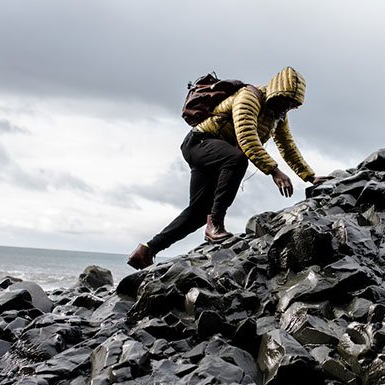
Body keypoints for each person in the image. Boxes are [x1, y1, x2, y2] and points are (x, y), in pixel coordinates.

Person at [127, 66, 331, 270]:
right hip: (199, 143)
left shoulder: (277, 115)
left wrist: (310, 177)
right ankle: (215, 224)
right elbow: (246, 137)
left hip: (215, 153)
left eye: (293, 105)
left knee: (198, 213)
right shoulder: (249, 97)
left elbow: (287, 146)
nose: (288, 107)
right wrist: (274, 171)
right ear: (277, 92)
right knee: (237, 159)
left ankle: (146, 251)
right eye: (286, 100)